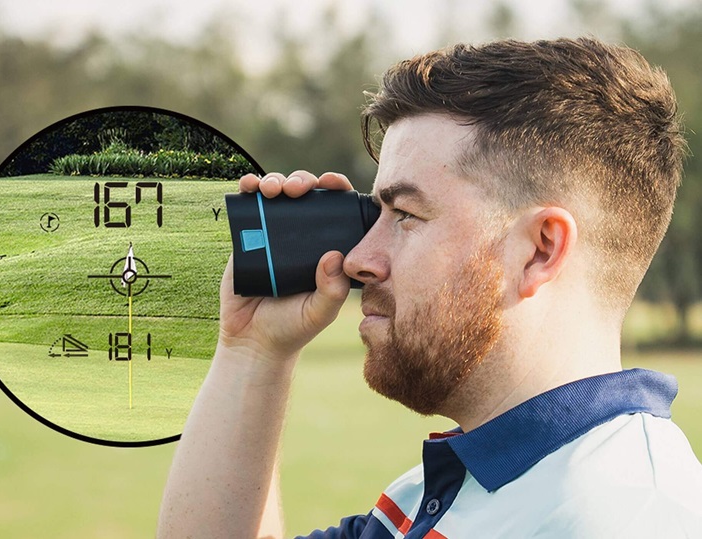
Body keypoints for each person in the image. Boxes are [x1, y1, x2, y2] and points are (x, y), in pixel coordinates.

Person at [157, 37, 702, 538]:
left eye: (406, 214)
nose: (359, 260)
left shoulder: (624, 517)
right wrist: (253, 353)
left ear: (539, 249)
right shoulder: (438, 495)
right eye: (375, 212)